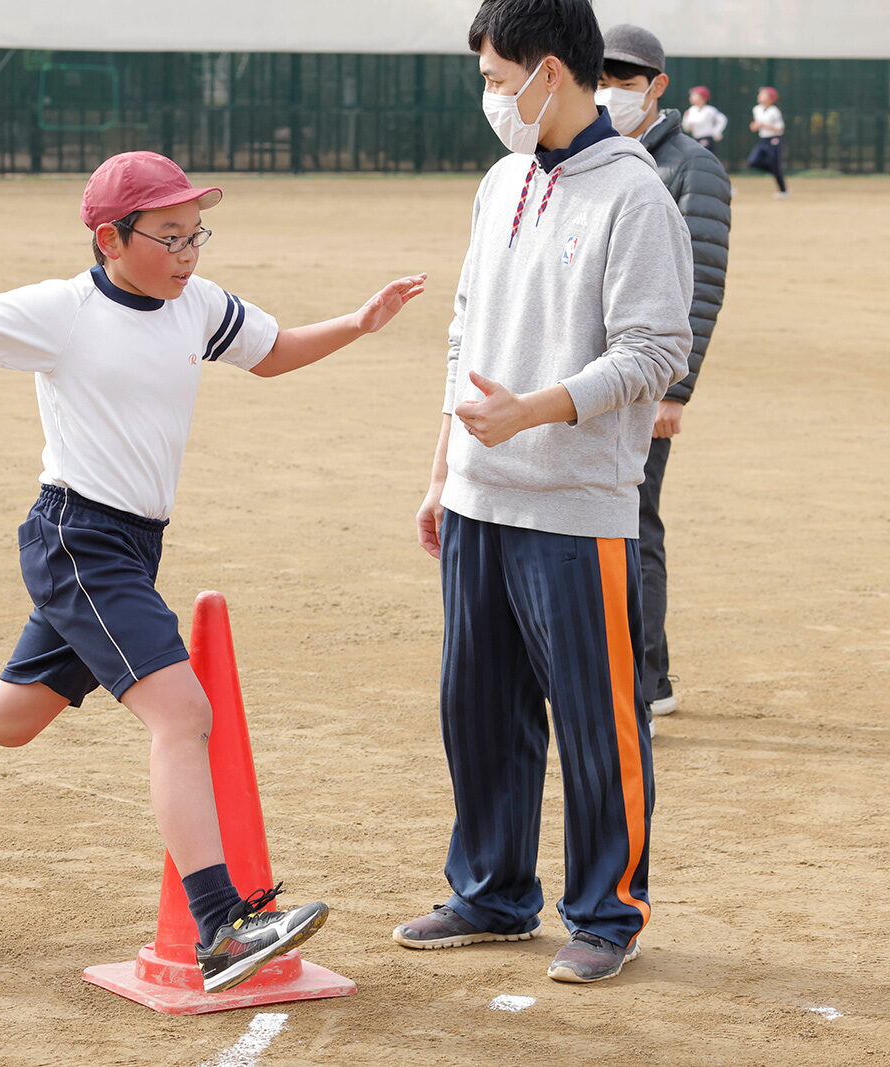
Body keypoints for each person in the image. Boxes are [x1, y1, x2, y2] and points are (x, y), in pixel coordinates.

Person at [0, 150, 426, 994]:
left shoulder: (200, 306)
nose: (191, 251)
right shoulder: (63, 311)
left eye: (198, 232)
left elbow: (271, 353)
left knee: (6, 718)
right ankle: (223, 925)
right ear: (111, 238)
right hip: (78, 539)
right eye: (170, 234)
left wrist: (356, 323)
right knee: (183, 713)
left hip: (128, 547)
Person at [397, 0, 692, 984]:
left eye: (495, 80)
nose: (489, 99)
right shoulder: (500, 181)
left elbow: (654, 351)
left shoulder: (634, 196)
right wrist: (443, 468)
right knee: (476, 705)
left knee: (594, 717)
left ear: (549, 73)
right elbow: (463, 330)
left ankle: (606, 912)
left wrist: (535, 411)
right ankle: (491, 890)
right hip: (480, 495)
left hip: (577, 503)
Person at [598, 25, 732, 731]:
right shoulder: (602, 158)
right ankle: (623, 667)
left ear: (657, 86)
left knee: (634, 523)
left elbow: (700, 285)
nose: (611, 90)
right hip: (593, 379)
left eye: (626, 79)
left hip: (649, 383)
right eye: (603, 76)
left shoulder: (691, 167)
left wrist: (675, 388)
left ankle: (648, 678)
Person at [747, 86, 787, 197]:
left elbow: (780, 128)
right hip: (763, 140)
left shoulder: (774, 111)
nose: (759, 96)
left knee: (776, 166)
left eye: (763, 94)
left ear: (770, 98)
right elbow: (757, 125)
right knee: (753, 161)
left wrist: (763, 125)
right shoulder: (756, 109)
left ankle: (783, 191)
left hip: (775, 140)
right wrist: (755, 126)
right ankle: (773, 171)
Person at [681, 85, 728, 155]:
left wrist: (716, 132)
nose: (691, 97)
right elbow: (687, 128)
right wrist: (685, 119)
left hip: (707, 139)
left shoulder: (710, 110)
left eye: (694, 95)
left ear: (702, 97)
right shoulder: (691, 110)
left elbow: (722, 119)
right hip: (696, 140)